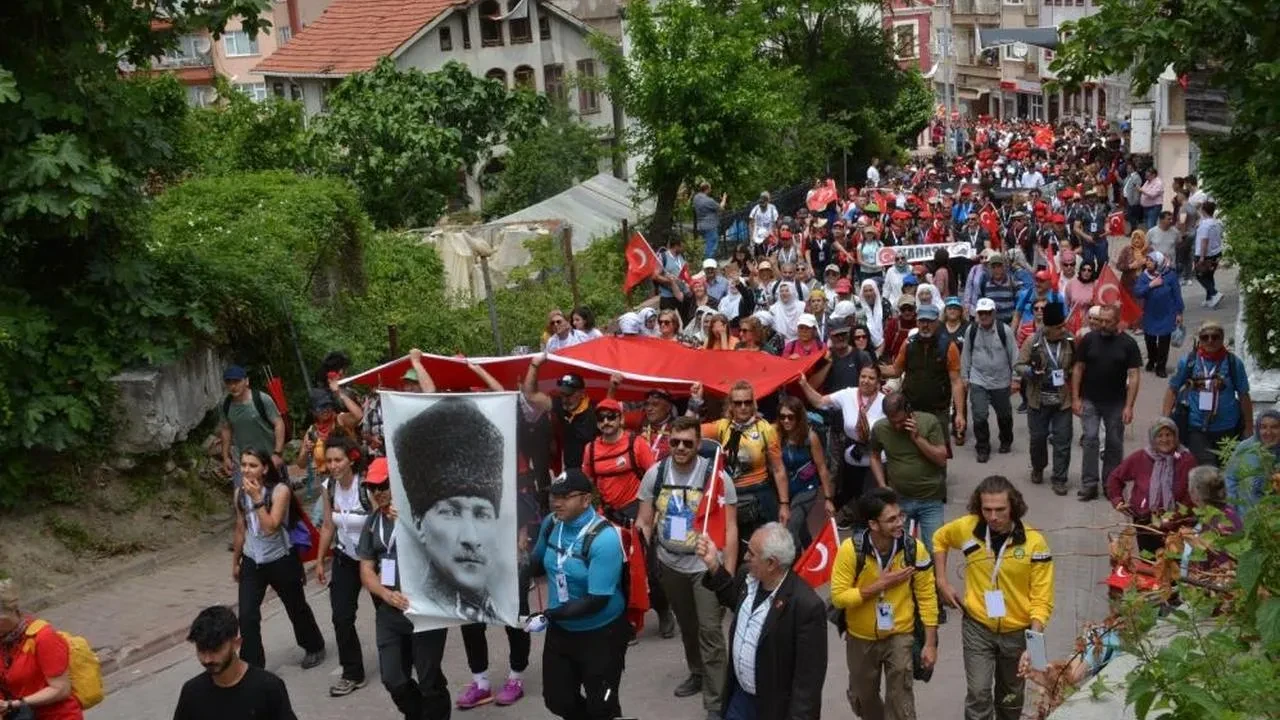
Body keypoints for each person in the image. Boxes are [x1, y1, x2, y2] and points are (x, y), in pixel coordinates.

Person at [636, 417, 738, 719]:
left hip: (704, 566)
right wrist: (637, 558)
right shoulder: (655, 474)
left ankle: (716, 702)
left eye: (688, 443)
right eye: (675, 442)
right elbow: (643, 521)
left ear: (698, 445)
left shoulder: (716, 477)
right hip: (670, 564)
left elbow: (731, 529)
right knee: (689, 627)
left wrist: (726, 574)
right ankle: (697, 672)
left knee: (710, 631)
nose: (680, 448)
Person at [933, 476, 1054, 720]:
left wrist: (1034, 643)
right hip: (977, 626)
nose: (993, 517)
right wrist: (941, 581)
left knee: (1011, 697)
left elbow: (1042, 597)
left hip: (1016, 631)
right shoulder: (967, 528)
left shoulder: (1035, 543)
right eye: (986, 509)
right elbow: (940, 539)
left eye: (1000, 510)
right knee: (978, 693)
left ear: (1014, 507)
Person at [697, 524, 828, 720]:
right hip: (740, 697)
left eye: (751, 553)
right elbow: (734, 599)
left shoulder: (805, 606)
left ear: (771, 563)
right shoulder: (747, 576)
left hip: (773, 709)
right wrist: (714, 565)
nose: (745, 557)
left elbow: (808, 682)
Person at [393, 396, 505, 624]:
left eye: (482, 514)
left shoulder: (494, 605)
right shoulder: (424, 604)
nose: (471, 538)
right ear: (418, 522)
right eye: (451, 512)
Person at [529, 470, 631, 720]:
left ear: (586, 500)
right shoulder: (552, 523)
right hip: (562, 633)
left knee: (603, 703)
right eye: (554, 495)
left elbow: (597, 600)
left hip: (602, 635)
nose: (556, 502)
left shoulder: (604, 539)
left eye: (565, 496)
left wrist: (549, 615)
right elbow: (536, 565)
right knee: (556, 700)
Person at [831, 488, 938, 720]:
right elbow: (839, 596)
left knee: (901, 700)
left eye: (900, 516)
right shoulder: (851, 551)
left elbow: (927, 597)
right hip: (860, 637)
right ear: (873, 524)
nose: (900, 523)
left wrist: (930, 644)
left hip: (900, 633)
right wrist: (879, 585)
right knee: (863, 697)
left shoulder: (914, 549)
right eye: (891, 519)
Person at [356, 460, 452, 720]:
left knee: (429, 679)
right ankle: (418, 714)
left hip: (426, 610)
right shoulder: (373, 523)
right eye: (371, 487)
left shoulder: (424, 513)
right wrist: (386, 595)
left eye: (383, 485)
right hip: (390, 612)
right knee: (393, 678)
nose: (378, 492)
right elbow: (366, 570)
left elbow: (446, 552)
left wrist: (410, 525)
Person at [580, 397, 673, 640]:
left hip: (638, 515)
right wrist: (593, 514)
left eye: (611, 416)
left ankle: (664, 612)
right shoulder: (591, 450)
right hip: (609, 518)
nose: (606, 422)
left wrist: (651, 514)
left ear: (621, 418)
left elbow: (655, 478)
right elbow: (586, 485)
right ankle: (627, 623)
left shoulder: (636, 443)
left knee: (650, 571)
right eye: (601, 418)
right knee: (617, 573)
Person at [231, 448, 326, 670]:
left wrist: (256, 499)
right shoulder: (239, 493)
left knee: (295, 606)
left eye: (252, 465)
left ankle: (313, 645)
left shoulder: (279, 491)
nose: (246, 470)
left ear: (264, 469)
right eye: (244, 465)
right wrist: (235, 561)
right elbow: (240, 528)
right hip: (252, 560)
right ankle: (253, 665)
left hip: (281, 558)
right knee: (246, 615)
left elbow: (272, 526)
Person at [691, 380, 790, 556]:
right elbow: (689, 431)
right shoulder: (722, 427)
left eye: (747, 402)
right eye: (738, 403)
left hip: (761, 497)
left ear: (754, 404)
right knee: (732, 552)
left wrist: (784, 504)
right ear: (731, 405)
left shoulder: (766, 429)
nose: (743, 407)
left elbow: (778, 469)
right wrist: (695, 402)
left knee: (765, 551)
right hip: (731, 496)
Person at [869, 391, 948, 593]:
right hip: (900, 499)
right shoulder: (880, 429)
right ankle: (904, 588)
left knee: (934, 547)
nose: (896, 426)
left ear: (909, 411)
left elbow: (941, 458)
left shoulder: (929, 422)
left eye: (900, 421)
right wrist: (881, 483)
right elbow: (874, 456)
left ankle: (936, 589)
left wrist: (917, 438)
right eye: (891, 421)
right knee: (898, 547)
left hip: (931, 499)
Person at [314, 436, 370, 697]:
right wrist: (320, 560)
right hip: (345, 558)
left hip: (375, 560)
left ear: (351, 459)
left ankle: (404, 658)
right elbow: (328, 525)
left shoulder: (368, 485)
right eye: (329, 461)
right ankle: (352, 673)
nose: (333, 466)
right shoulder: (329, 487)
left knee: (390, 613)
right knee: (341, 616)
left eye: (338, 460)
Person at [173, 606, 295, 720]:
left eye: (216, 650)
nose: (207, 659)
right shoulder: (192, 692)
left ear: (236, 644)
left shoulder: (269, 688)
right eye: (201, 650)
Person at [1072, 305, 1142, 501]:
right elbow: (1078, 368)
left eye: (1107, 321)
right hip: (1090, 399)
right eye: (1100, 320)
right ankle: (1089, 484)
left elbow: (1134, 375)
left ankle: (1110, 484)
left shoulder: (1128, 344)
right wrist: (1076, 398)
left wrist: (1129, 406)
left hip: (1116, 401)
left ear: (1117, 320)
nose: (1102, 325)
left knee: (1114, 443)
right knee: (1091, 439)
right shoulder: (1089, 340)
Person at [1162, 319, 1253, 466]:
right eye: (1205, 337)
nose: (1210, 341)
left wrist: (1249, 427)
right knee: (1207, 469)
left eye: (1215, 337)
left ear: (1222, 338)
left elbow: (1244, 395)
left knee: (1227, 469)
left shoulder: (1233, 363)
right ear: (1200, 339)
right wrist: (1165, 421)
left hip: (1228, 428)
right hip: (1197, 428)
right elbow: (1173, 388)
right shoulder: (1189, 362)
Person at [1105, 418, 1196, 554]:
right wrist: (1118, 501)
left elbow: (1193, 494)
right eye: (1159, 435)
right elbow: (1115, 478)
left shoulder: (1186, 460)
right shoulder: (1141, 457)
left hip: (1177, 525)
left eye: (1168, 435)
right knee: (1148, 563)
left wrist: (1173, 517)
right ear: (1152, 438)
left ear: (1176, 437)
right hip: (1145, 522)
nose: (1164, 440)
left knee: (1172, 565)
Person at [0, 580, 83, 720]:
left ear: (8, 613)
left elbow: (61, 689)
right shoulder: (3, 640)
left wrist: (15, 704)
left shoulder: (43, 637)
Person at [1015, 302, 1075, 494]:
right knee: (1038, 438)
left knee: (1063, 440)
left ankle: (1059, 478)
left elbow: (1077, 366)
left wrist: (1069, 373)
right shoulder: (1032, 341)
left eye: (1063, 326)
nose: (1062, 330)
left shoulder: (1070, 342)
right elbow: (1018, 365)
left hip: (1062, 400)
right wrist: (1032, 372)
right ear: (1047, 327)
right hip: (1037, 400)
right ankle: (1038, 467)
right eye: (1058, 327)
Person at [886, 303, 966, 444]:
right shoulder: (908, 344)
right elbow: (896, 371)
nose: (925, 325)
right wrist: (874, 368)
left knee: (939, 453)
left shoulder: (948, 346)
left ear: (937, 322)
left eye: (929, 321)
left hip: (938, 411)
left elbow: (956, 382)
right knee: (912, 450)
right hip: (912, 409)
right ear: (917, 322)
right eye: (922, 321)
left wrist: (959, 414)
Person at [961, 298, 1017, 463]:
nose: (984, 316)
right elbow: (966, 355)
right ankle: (983, 447)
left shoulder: (1004, 331)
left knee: (1004, 414)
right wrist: (965, 376)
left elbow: (1014, 355)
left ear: (994, 313)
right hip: (978, 379)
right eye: (981, 313)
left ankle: (1006, 440)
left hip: (1001, 381)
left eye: (987, 313)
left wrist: (1016, 379)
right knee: (979, 415)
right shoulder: (971, 330)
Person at [775, 396, 836, 547]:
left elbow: (822, 468)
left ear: (799, 417)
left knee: (790, 528)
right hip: (786, 490)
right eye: (782, 417)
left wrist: (828, 499)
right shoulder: (776, 435)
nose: (786, 421)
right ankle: (810, 552)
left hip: (807, 489)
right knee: (801, 529)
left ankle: (793, 566)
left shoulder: (810, 437)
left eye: (790, 417)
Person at [523, 356, 597, 472]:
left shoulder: (595, 411)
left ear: (582, 393)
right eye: (562, 394)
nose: (565, 399)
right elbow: (530, 395)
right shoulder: (561, 406)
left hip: (594, 472)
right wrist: (534, 365)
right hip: (570, 471)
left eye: (569, 394)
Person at [218, 364, 285, 488]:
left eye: (237, 381)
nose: (233, 386)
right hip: (242, 464)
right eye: (229, 382)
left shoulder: (262, 399)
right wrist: (226, 457)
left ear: (246, 381)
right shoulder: (225, 404)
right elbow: (226, 429)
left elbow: (279, 424)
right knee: (244, 501)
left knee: (277, 498)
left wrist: (277, 453)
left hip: (268, 459)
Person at [1133, 251, 1184, 378]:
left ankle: (1161, 367)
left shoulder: (1170, 275)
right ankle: (1152, 359)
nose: (1147, 262)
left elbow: (1177, 295)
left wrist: (1179, 312)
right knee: (1149, 340)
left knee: (1164, 343)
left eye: (1150, 261)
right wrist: (1151, 285)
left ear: (1158, 263)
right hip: (1150, 314)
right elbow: (1137, 292)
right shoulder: (1144, 277)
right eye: (1147, 260)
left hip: (1167, 313)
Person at [1224, 410, 1280, 512]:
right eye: (1263, 427)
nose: (1268, 432)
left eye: (1275, 427)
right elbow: (1230, 478)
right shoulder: (1246, 448)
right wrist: (1230, 511)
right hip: (1248, 515)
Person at [1194, 200, 1224, 308]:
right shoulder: (1217, 222)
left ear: (1203, 210)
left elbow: (1204, 241)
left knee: (1200, 275)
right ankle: (1209, 298)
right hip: (1216, 252)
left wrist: (1201, 257)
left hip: (1205, 254)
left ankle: (1215, 293)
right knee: (1209, 275)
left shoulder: (1204, 225)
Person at [694, 182, 728, 259]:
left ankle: (707, 263)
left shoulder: (696, 198)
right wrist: (724, 198)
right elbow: (721, 208)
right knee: (711, 247)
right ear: (707, 189)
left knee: (706, 246)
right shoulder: (709, 201)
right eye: (710, 188)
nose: (711, 190)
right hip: (710, 226)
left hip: (701, 226)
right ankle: (708, 265)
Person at [656, 237, 690, 312]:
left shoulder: (681, 256)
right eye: (682, 246)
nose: (683, 248)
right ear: (676, 246)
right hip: (668, 297)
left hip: (682, 295)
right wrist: (670, 282)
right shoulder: (663, 257)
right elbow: (656, 276)